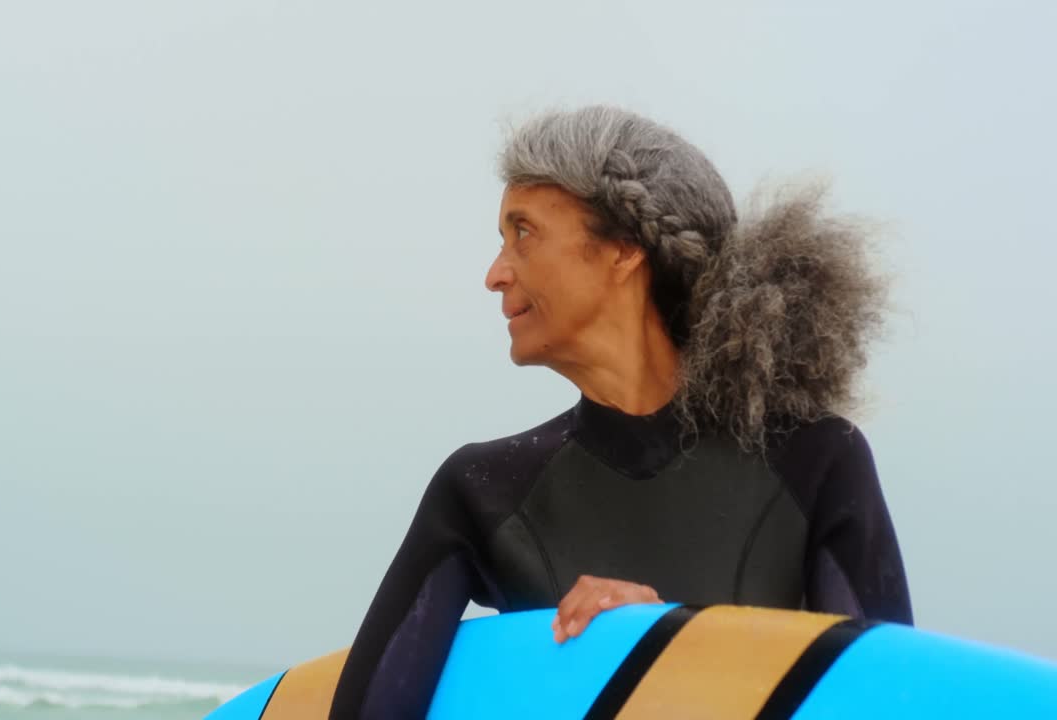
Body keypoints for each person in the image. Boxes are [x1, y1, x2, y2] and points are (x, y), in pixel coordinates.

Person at [328, 105, 912, 720]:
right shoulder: (482, 492)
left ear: (625, 248)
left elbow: (885, 699)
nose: (495, 275)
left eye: (522, 233)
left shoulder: (813, 460)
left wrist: (660, 640)